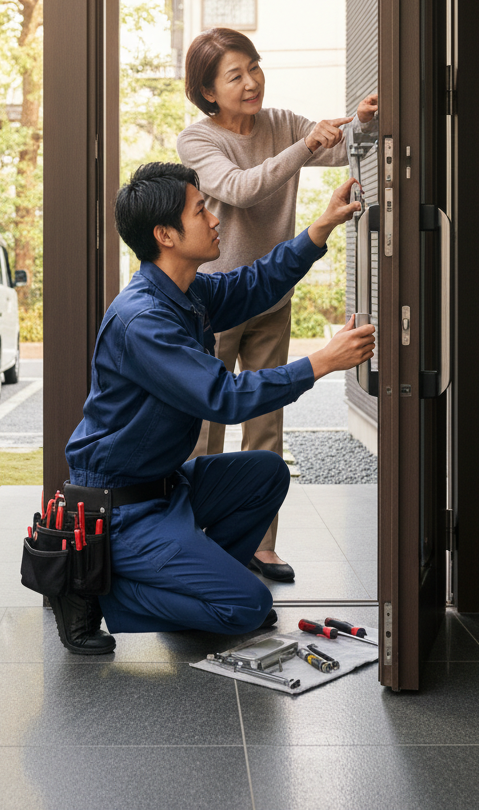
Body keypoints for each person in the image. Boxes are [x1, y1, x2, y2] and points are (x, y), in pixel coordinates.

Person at [55, 162, 375, 654]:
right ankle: (93, 589)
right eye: (200, 210)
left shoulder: (187, 292)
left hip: (167, 488)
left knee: (266, 473)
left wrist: (321, 226)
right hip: (121, 511)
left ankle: (194, 585)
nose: (214, 219)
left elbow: (254, 285)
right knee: (247, 609)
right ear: (165, 234)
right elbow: (224, 398)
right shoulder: (143, 320)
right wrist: (322, 362)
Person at [176, 27, 378, 583]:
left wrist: (360, 121)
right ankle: (197, 537)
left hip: (271, 297)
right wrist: (307, 144)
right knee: (205, 425)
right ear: (209, 90)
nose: (251, 82)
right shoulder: (197, 142)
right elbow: (242, 187)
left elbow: (337, 149)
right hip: (215, 299)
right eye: (235, 75)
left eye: (254, 67)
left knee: (267, 420)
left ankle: (261, 544)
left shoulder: (282, 123)